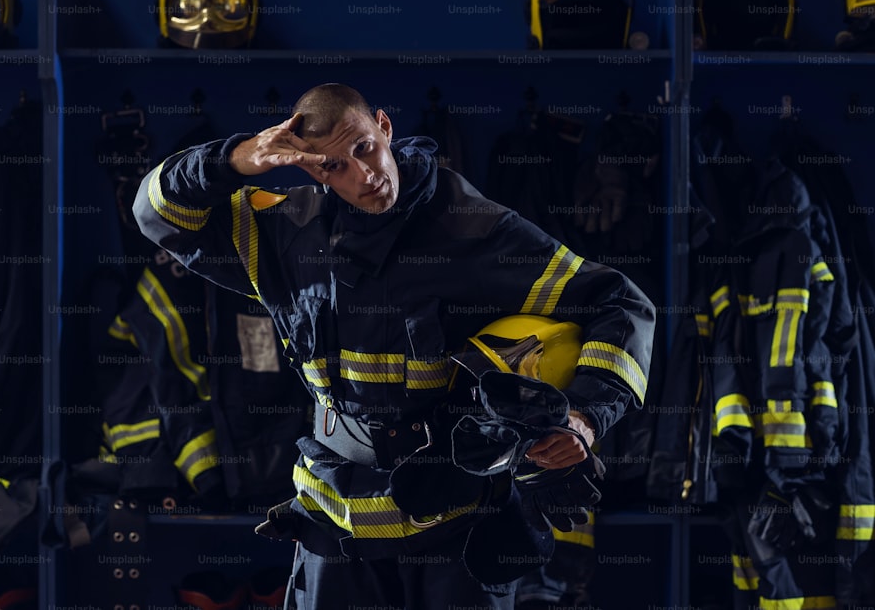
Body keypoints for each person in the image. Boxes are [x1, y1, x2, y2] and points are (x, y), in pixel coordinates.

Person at [133, 83, 655, 609]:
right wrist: (232, 159)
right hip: (332, 524)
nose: (364, 176)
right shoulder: (285, 232)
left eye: (363, 148)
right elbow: (155, 213)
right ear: (312, 171)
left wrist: (585, 417)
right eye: (334, 167)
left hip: (454, 527)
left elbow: (620, 304)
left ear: (384, 126)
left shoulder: (473, 229)